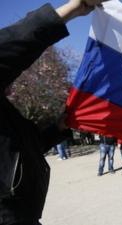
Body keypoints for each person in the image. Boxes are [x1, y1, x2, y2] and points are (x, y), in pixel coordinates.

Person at [0, 1, 107, 224]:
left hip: (24, 215)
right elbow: (10, 47)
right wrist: (73, 8)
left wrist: (58, 128)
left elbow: (22, 151)